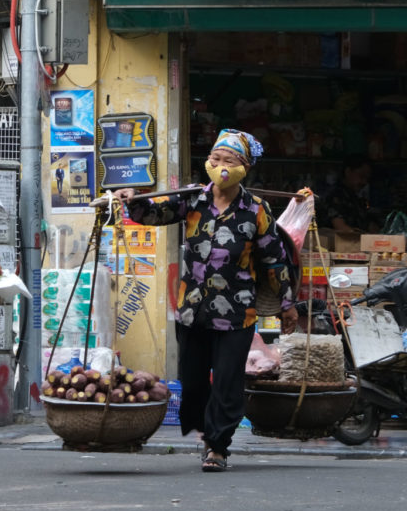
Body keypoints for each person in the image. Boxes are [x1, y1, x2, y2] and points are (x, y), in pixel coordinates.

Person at [112, 129, 298, 473]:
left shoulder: (256, 210)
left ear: (245, 168)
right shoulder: (192, 198)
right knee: (194, 381)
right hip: (193, 310)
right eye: (215, 158)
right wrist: (133, 199)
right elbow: (154, 214)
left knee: (227, 382)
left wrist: (287, 304)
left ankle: (218, 446)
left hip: (237, 313)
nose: (221, 166)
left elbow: (275, 259)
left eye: (230, 160)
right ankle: (205, 431)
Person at [320, 156, 383, 239]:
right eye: (361, 176)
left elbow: (370, 225)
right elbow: (341, 228)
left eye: (367, 178)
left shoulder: (356, 199)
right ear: (348, 172)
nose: (364, 182)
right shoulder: (335, 195)